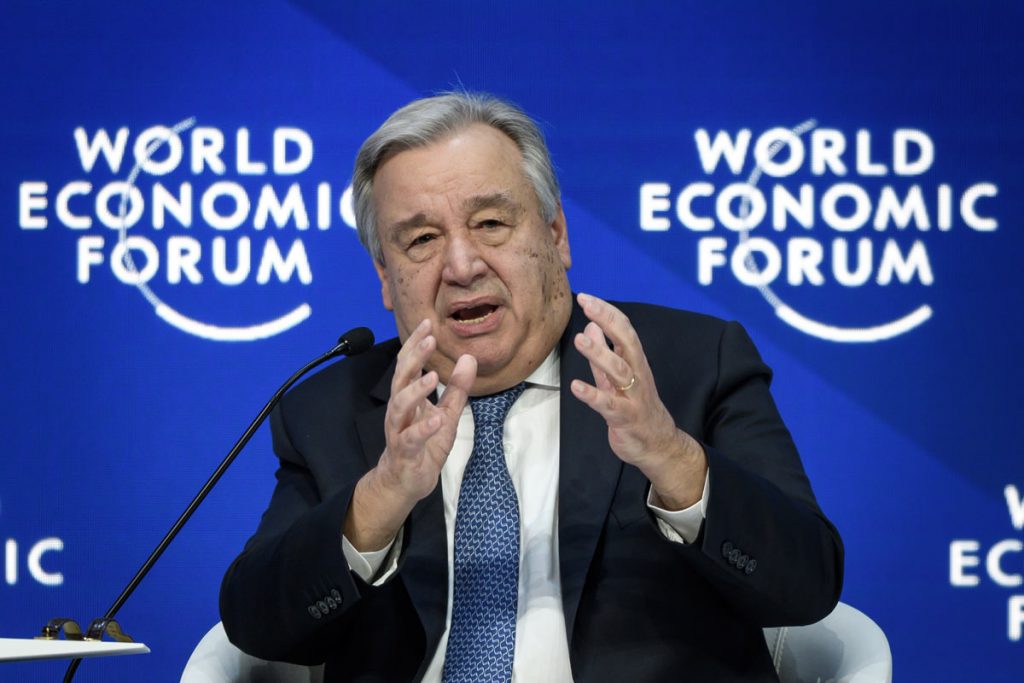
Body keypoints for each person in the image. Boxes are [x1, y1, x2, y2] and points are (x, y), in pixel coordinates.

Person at [220, 92, 843, 682]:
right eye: (422, 240)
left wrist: (669, 454)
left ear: (555, 235)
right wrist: (380, 498)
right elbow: (258, 628)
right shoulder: (330, 410)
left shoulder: (690, 365)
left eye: (491, 223)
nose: (462, 266)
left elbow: (807, 584)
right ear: (385, 276)